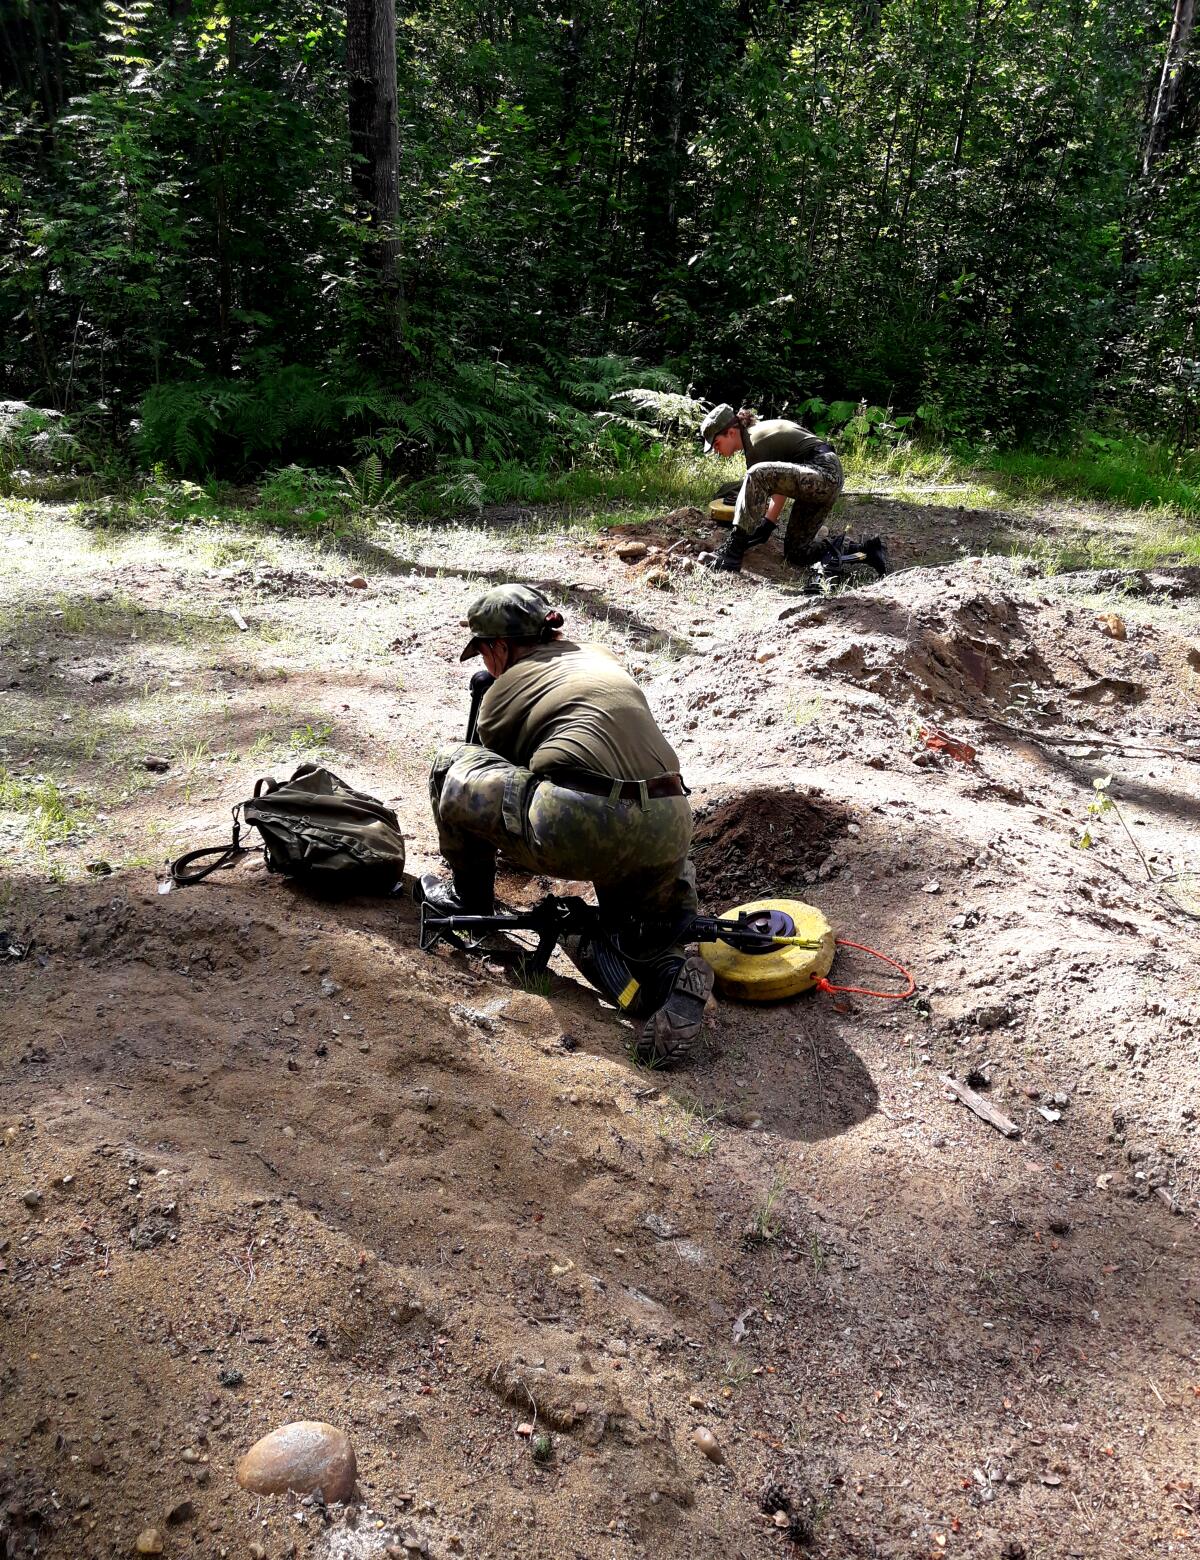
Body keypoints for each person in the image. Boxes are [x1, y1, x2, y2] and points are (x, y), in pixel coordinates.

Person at [420, 584, 713, 1065]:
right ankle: (668, 975)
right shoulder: (596, 656)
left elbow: (502, 769)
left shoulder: (502, 692)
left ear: (498, 648)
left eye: (485, 653)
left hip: (582, 823)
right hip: (669, 821)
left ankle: (472, 906)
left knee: (453, 765)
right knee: (638, 936)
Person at [702, 403, 844, 574]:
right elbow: (780, 481)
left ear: (731, 432)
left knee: (755, 474)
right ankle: (861, 549)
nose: (716, 450)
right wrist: (768, 523)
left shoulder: (755, 441)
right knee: (797, 553)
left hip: (824, 473)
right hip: (822, 477)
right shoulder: (755, 434)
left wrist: (766, 524)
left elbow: (764, 480)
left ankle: (732, 553)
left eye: (717, 443)